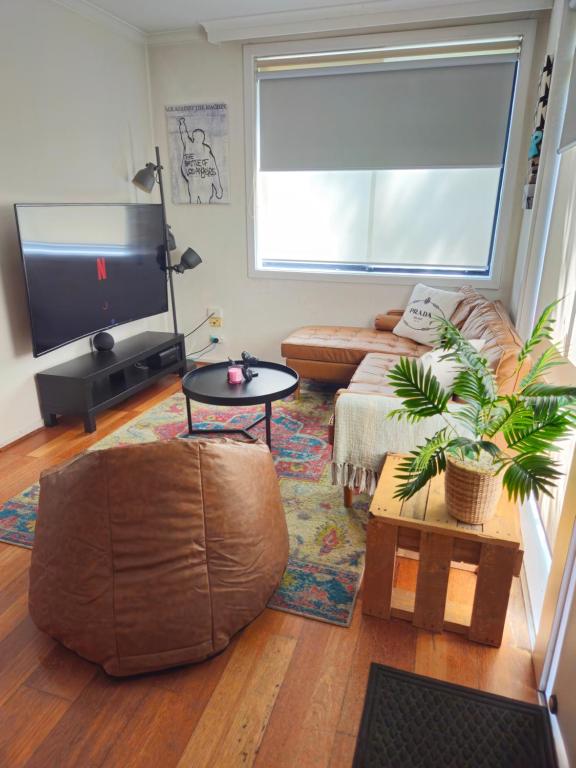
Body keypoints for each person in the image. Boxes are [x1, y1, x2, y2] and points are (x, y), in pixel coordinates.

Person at [178, 117, 224, 204]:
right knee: (193, 204)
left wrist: (218, 188)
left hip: (206, 185)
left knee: (206, 205)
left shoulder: (207, 152)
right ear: (193, 137)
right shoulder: (188, 146)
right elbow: (184, 135)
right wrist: (182, 124)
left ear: (203, 138)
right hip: (193, 184)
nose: (199, 138)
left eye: (201, 136)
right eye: (197, 136)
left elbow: (213, 171)